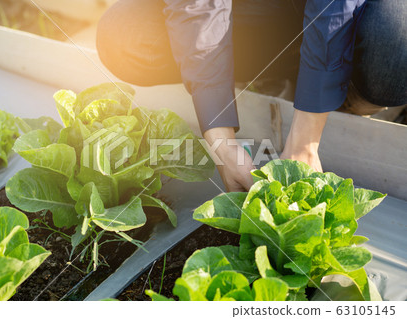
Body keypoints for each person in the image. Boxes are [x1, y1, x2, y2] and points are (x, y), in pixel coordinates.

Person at [96, 0, 407, 192]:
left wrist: (304, 142)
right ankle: (288, 71)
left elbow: (336, 6)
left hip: (355, 8)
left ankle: (352, 95)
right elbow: (198, 5)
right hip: (274, 11)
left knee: (397, 47)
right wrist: (221, 140)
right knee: (124, 34)